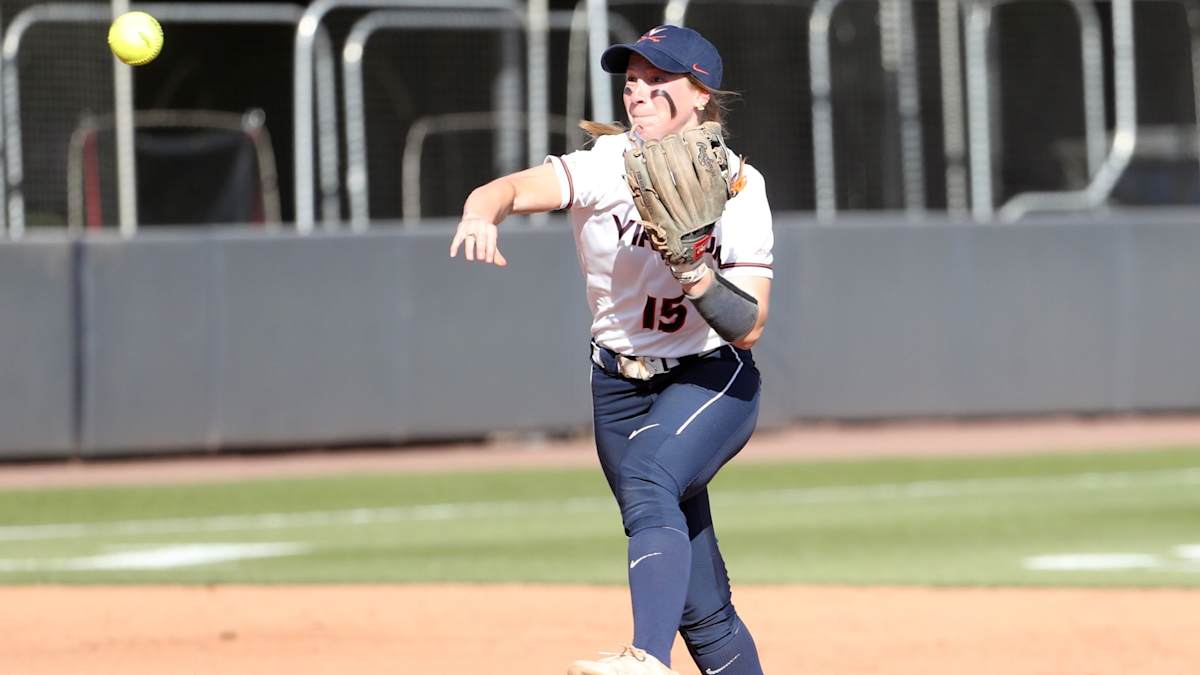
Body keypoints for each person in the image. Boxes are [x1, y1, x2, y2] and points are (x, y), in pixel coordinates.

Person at [450, 24, 772, 675]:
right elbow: (505, 190)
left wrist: (695, 270)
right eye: (632, 82)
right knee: (702, 610)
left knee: (652, 474)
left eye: (659, 82)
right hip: (618, 391)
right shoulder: (605, 166)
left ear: (701, 95)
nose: (639, 94)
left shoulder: (739, 186)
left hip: (711, 376)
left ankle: (645, 658)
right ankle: (668, 646)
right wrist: (479, 214)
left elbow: (751, 324)